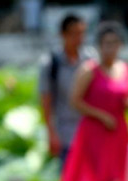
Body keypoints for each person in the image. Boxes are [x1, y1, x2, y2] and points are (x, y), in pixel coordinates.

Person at [56, 21, 128, 181]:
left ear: (121, 45)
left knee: (115, 180)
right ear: (99, 46)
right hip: (95, 132)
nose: (110, 48)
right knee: (98, 179)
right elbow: (75, 101)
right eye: (106, 43)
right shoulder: (89, 69)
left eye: (114, 43)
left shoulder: (126, 69)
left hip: (118, 131)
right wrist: (101, 116)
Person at [39, 14, 95, 167]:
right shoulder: (51, 63)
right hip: (66, 133)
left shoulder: (91, 59)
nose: (79, 38)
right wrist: (51, 133)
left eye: (82, 33)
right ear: (63, 35)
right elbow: (46, 101)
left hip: (91, 130)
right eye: (74, 33)